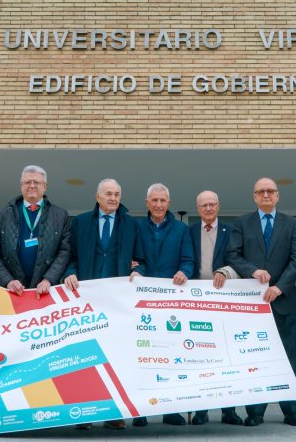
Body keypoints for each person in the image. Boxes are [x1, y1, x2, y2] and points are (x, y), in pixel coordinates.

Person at [225, 177, 296, 427]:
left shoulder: (291, 223)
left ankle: (292, 410)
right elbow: (233, 255)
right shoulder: (242, 223)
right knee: (254, 359)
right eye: (261, 192)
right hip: (253, 305)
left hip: (283, 302)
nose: (266, 195)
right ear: (254, 196)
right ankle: (255, 412)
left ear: (278, 195)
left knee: (290, 357)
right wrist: (253, 271)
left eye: (271, 191)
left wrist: (279, 288)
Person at [64, 178, 139, 431]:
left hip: (117, 300)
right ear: (97, 196)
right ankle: (83, 413)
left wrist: (139, 272)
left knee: (115, 357)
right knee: (85, 357)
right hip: (87, 299)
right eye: (108, 193)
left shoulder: (131, 223)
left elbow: (141, 258)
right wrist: (71, 272)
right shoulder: (81, 222)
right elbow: (70, 256)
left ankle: (113, 413)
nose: (114, 198)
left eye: (117, 194)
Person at [132, 183, 195, 427]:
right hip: (142, 302)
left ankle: (170, 410)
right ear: (147, 203)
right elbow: (136, 260)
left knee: (170, 357)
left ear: (169, 203)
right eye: (154, 200)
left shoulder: (181, 229)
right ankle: (140, 412)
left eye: (163, 201)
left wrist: (184, 271)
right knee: (142, 355)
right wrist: (140, 273)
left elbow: (188, 260)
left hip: (171, 303)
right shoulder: (136, 227)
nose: (158, 205)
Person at [188, 190, 243, 426]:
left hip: (224, 301)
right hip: (197, 303)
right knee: (201, 358)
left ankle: (228, 410)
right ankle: (201, 410)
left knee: (226, 358)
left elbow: (239, 259)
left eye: (212, 204)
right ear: (198, 208)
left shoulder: (231, 231)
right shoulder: (189, 232)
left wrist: (226, 272)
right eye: (204, 205)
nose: (208, 209)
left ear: (218, 206)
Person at [0, 165, 71, 296]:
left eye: (36, 182)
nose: (32, 185)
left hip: (47, 290)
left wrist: (48, 279)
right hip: (11, 291)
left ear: (45, 186)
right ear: (21, 186)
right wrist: (8, 281)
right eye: (27, 182)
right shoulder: (4, 215)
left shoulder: (60, 216)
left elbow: (64, 252)